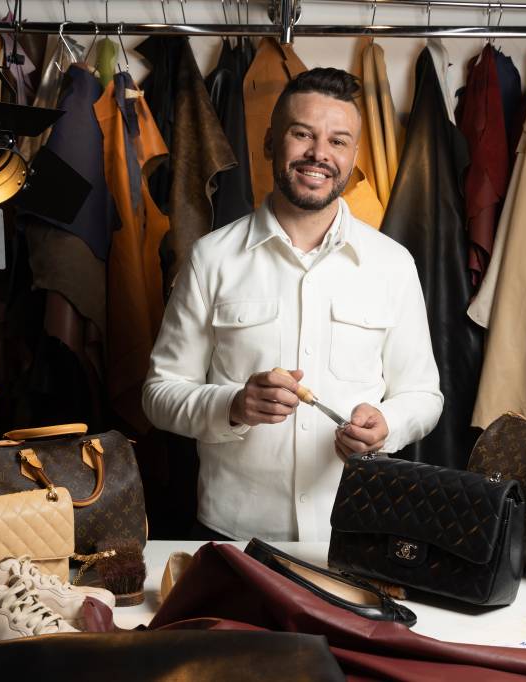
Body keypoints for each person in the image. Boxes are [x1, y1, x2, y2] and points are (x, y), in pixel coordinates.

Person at [142, 68, 442, 542]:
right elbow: (159, 394)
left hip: (356, 532)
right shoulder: (211, 258)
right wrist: (234, 405)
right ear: (270, 142)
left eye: (338, 141)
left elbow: (424, 395)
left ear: (354, 156)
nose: (319, 154)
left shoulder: (392, 264)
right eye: (302, 134)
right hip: (234, 535)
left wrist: (390, 425)